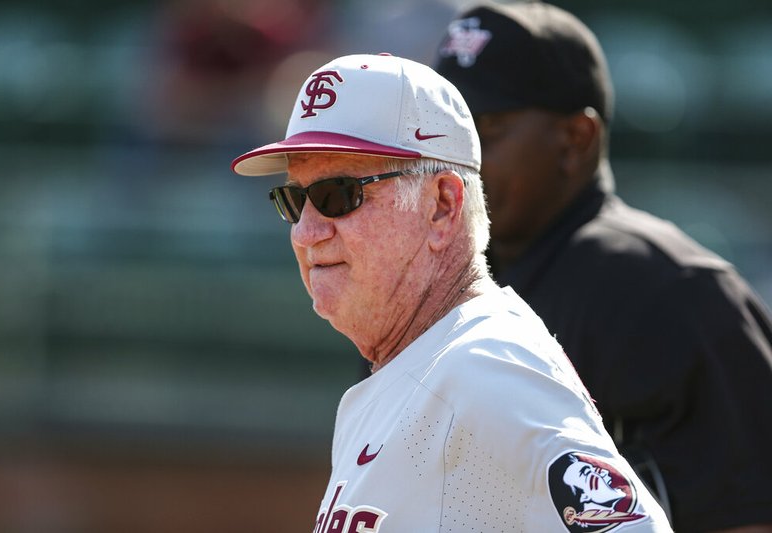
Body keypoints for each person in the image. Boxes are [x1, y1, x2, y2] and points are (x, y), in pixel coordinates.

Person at [232, 52, 673, 531]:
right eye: (294, 199)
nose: (305, 232)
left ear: (443, 206)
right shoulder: (422, 365)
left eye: (338, 195)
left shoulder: (488, 364)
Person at [434, 2, 772, 532]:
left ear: (576, 140)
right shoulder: (425, 284)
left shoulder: (671, 292)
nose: (456, 155)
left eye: (486, 128)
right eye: (443, 129)